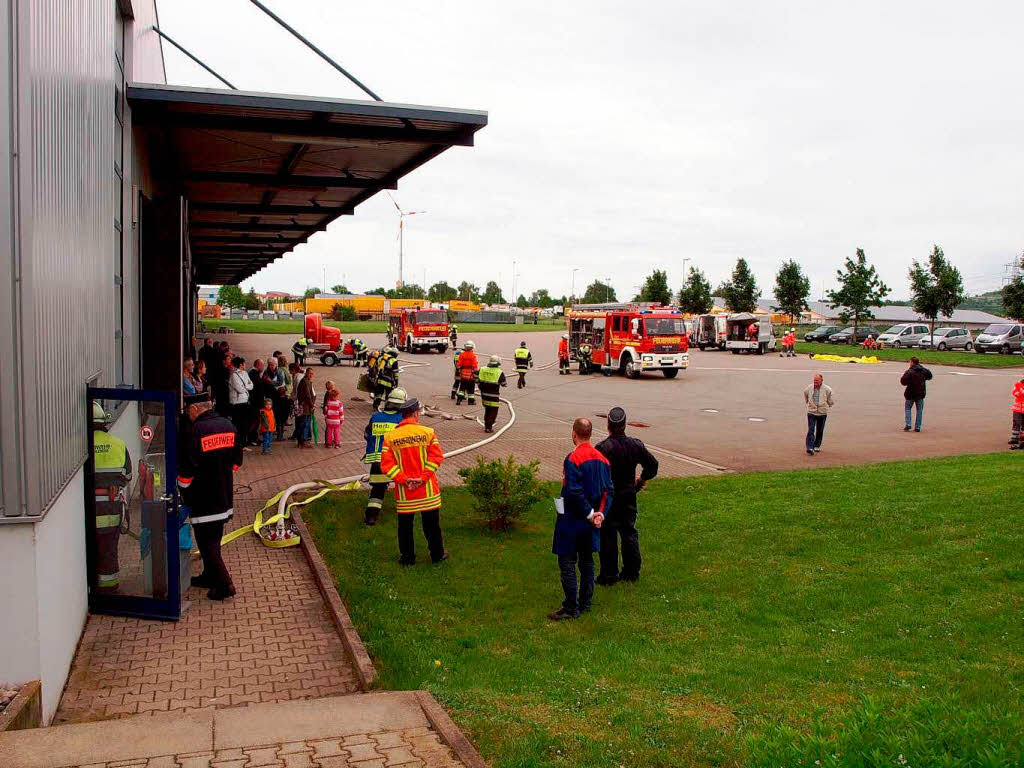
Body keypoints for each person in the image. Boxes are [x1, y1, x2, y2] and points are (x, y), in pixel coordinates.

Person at [178, 395, 243, 600]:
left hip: (202, 497)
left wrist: (183, 490)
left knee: (208, 543)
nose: (187, 415)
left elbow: (186, 468)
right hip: (223, 494)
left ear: (195, 409)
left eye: (188, 410)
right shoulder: (228, 424)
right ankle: (209, 575)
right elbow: (236, 461)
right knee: (213, 537)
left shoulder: (194, 431)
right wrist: (222, 472)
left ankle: (225, 585)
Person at [549, 418, 613, 621]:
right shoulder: (603, 460)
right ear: (590, 434)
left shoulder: (573, 458)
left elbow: (573, 491)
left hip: (572, 519)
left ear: (574, 434)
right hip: (592, 522)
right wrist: (600, 514)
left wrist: (588, 513)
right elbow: (608, 490)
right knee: (587, 562)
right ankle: (585, 602)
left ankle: (570, 607)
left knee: (567, 562)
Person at [380, 395, 448, 565]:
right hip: (428, 491)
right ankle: (437, 555)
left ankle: (408, 559)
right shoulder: (428, 433)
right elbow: (436, 458)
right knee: (432, 526)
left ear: (402, 415)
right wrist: (423, 478)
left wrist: (404, 480)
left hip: (405, 493)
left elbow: (387, 466)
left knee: (405, 528)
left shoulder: (390, 437)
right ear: (416, 414)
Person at [595, 407, 658, 585]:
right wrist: (642, 479)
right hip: (628, 494)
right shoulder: (635, 445)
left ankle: (609, 575)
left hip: (609, 498)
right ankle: (631, 572)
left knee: (608, 534)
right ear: (624, 425)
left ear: (608, 425)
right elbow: (653, 465)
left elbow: (594, 474)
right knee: (628, 532)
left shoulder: (602, 448)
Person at [91, 401, 132, 593]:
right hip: (111, 508)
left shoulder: (78, 446)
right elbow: (128, 476)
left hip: (88, 511)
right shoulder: (118, 444)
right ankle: (109, 587)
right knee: (109, 549)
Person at [362, 387, 406, 525]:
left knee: (378, 489)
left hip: (376, 460)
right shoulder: (401, 419)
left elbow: (367, 435)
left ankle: (371, 517)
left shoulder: (375, 416)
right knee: (402, 485)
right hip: (394, 460)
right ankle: (406, 511)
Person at [803, 373, 835, 455]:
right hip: (811, 412)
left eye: (817, 380)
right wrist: (808, 402)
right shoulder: (809, 388)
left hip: (822, 413)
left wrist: (830, 404)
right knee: (811, 430)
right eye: (814, 380)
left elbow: (829, 398)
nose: (815, 382)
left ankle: (817, 445)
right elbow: (805, 393)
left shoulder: (827, 389)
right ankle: (810, 447)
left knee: (820, 430)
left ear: (821, 380)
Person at [900, 357, 933, 432]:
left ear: (912, 362)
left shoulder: (909, 371)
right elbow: (930, 376)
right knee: (919, 410)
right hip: (920, 393)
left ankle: (908, 424)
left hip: (910, 393)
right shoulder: (924, 370)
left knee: (908, 408)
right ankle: (918, 426)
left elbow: (903, 381)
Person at [478, 354, 507, 433]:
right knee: (493, 410)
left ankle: (487, 424)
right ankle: (489, 427)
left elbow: (475, 376)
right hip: (494, 395)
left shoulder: (482, 369)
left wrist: (480, 384)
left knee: (487, 409)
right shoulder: (499, 372)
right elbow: (504, 384)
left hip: (484, 394)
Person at [227, 356, 253, 440]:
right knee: (237, 423)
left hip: (245, 401)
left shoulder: (245, 373)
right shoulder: (234, 375)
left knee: (245, 423)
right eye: (244, 363)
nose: (245, 365)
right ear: (241, 364)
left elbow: (251, 385)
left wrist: (245, 385)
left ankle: (243, 443)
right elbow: (240, 389)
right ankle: (237, 443)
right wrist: (247, 385)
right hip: (237, 403)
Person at [373, 346, 400, 410]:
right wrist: (396, 382)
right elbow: (395, 373)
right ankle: (387, 408)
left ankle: (375, 405)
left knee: (378, 393)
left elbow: (376, 367)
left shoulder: (381, 358)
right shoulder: (394, 360)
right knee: (388, 395)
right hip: (388, 381)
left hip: (379, 379)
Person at [296, 367, 316, 448]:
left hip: (306, 406)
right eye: (309, 373)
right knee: (305, 424)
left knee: (304, 423)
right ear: (306, 373)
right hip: (305, 407)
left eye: (312, 374)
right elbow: (308, 395)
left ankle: (302, 441)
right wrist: (312, 405)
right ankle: (302, 442)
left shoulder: (307, 381)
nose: (311, 375)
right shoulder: (304, 382)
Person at [456, 340, 479, 406]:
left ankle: (458, 400)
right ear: (472, 348)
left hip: (463, 374)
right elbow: (475, 366)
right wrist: (476, 374)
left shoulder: (462, 355)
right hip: (470, 375)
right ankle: (470, 401)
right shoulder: (473, 356)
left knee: (462, 388)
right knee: (471, 389)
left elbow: (459, 364)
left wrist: (459, 370)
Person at [324, 382, 345, 449]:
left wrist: (326, 418)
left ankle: (329, 443)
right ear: (337, 396)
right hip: (336, 421)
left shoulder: (328, 403)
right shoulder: (339, 403)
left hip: (329, 420)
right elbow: (341, 413)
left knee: (329, 432)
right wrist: (341, 420)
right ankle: (337, 444)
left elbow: (326, 411)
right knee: (336, 432)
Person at [1010, 377, 1024, 449]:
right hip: (1017, 409)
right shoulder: (1018, 384)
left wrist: (1021, 391)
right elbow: (1014, 393)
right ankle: (1014, 439)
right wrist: (1020, 391)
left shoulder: (1019, 386)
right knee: (1016, 423)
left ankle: (1022, 439)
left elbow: (1021, 393)